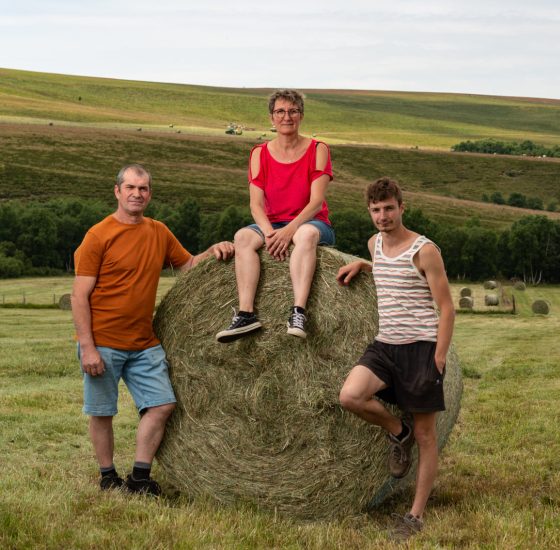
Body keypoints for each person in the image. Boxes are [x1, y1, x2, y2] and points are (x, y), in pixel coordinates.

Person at [71, 163, 234, 495]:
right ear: (117, 191)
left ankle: (140, 477)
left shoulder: (158, 231)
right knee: (102, 412)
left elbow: (188, 265)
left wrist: (216, 251)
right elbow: (78, 295)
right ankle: (107, 476)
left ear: (150, 194)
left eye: (143, 188)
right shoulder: (98, 235)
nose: (137, 194)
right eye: (130, 187)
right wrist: (87, 347)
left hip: (144, 341)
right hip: (103, 340)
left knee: (162, 405)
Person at [336, 178, 455, 539]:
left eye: (389, 208)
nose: (383, 216)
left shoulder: (425, 250)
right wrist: (362, 265)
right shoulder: (374, 245)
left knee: (426, 435)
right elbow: (388, 269)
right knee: (350, 396)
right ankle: (395, 430)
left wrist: (438, 357)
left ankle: (415, 516)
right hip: (385, 346)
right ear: (369, 212)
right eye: (376, 210)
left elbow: (447, 308)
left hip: (420, 348)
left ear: (402, 207)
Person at [215, 89, 334, 343]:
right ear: (272, 118)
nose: (286, 117)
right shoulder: (259, 153)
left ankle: (298, 312)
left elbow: (315, 203)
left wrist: (288, 231)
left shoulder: (318, 149)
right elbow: (256, 205)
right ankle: (246, 314)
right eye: (280, 111)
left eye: (292, 111)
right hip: (271, 223)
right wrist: (270, 234)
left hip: (311, 222)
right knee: (242, 238)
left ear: (301, 115)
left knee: (306, 234)